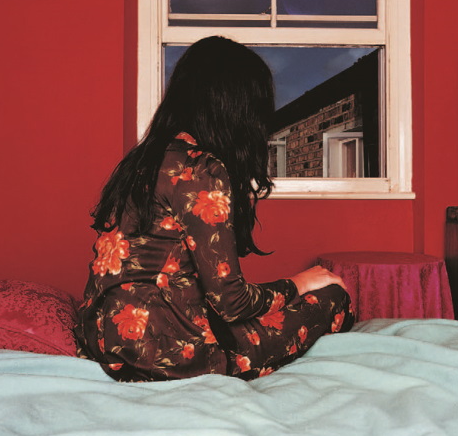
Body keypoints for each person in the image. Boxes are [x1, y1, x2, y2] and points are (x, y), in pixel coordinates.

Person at [75, 36, 355, 382]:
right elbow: (232, 303)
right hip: (167, 352)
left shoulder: (143, 160)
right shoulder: (199, 168)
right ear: (236, 109)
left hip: (106, 341)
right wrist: (298, 284)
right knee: (333, 297)